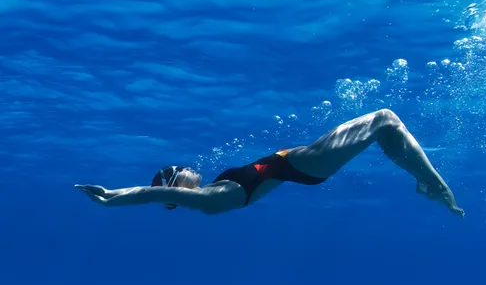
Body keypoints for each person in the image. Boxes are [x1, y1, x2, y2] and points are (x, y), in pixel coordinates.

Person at [75, 109, 465, 217]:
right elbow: (149, 194)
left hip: (300, 163)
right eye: (175, 173)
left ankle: (427, 184)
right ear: (176, 187)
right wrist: (111, 196)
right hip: (303, 167)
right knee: (384, 120)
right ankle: (435, 184)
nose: (183, 167)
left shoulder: (214, 189)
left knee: (386, 126)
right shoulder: (209, 201)